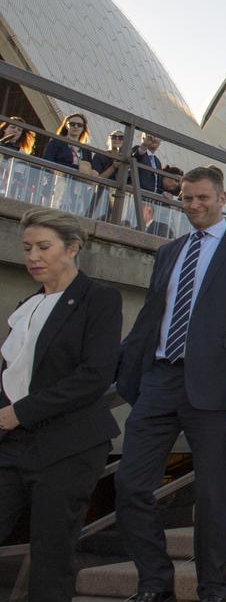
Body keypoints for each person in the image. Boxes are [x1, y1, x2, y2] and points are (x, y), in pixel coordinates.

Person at [114, 166, 226, 602]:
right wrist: (129, 370)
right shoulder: (169, 251)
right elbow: (153, 317)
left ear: (223, 199)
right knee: (129, 484)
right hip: (161, 380)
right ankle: (154, 583)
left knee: (211, 495)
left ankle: (213, 590)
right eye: (187, 198)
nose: (194, 205)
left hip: (219, 388)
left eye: (203, 198)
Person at [0, 208, 122, 602]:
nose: (33, 256)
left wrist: (21, 412)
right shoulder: (27, 306)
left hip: (69, 447)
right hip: (14, 443)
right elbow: (12, 375)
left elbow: (94, 376)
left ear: (72, 248)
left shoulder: (100, 299)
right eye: (27, 248)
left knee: (51, 556)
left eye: (43, 247)